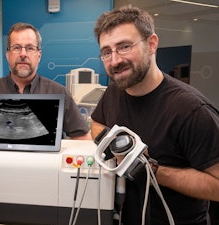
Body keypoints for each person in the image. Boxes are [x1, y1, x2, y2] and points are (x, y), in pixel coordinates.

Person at [91, 5, 219, 225]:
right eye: (106, 52)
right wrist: (115, 147)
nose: (115, 60)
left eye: (124, 46)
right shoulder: (115, 90)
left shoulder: (191, 110)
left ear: (151, 44)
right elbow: (96, 122)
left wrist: (150, 170)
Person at [0, 22, 91, 140]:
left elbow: (82, 137)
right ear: (7, 55)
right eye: (16, 48)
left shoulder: (59, 92)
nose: (23, 54)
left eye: (30, 48)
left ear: (39, 55)